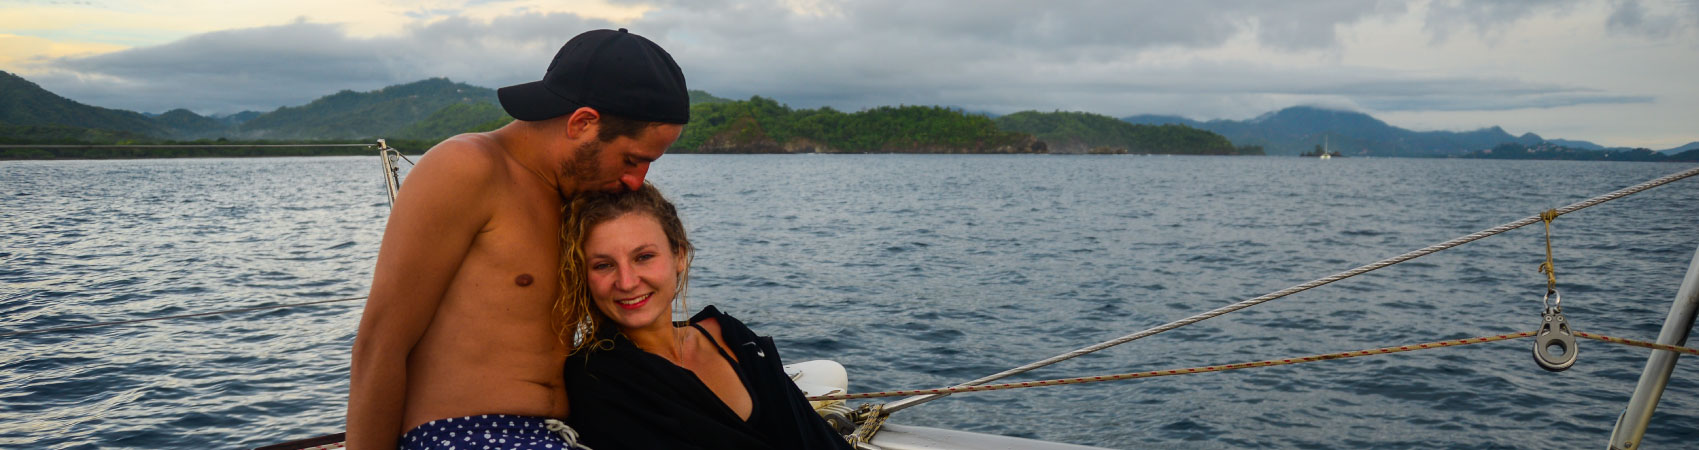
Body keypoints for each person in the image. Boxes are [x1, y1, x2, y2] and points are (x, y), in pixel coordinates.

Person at [346, 28, 689, 450]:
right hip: (465, 435)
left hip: (564, 435)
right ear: (583, 123)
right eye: (632, 159)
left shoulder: (578, 200)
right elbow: (380, 344)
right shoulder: (468, 169)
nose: (636, 181)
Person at [556, 183, 854, 450]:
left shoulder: (733, 337)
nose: (627, 281)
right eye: (603, 265)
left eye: (643, 257)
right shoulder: (596, 379)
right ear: (584, 276)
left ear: (679, 256)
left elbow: (812, 433)